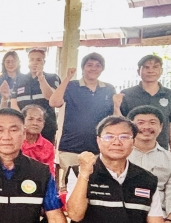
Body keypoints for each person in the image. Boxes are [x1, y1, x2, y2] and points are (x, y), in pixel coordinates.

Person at [49, 53, 120, 187]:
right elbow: (54, 102)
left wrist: (117, 105)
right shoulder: (71, 85)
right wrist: (67, 78)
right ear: (83, 67)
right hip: (71, 147)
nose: (93, 68)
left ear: (102, 69)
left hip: (99, 149)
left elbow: (115, 118)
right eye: (89, 65)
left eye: (97, 65)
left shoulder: (109, 89)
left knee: (96, 188)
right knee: (69, 189)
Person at [121, 55, 171, 151]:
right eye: (146, 67)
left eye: (155, 67)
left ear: (161, 71)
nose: (151, 71)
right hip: (132, 150)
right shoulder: (127, 94)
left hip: (161, 149)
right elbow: (122, 123)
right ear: (138, 71)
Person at [10, 48, 60, 144]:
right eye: (31, 59)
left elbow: (51, 98)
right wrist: (22, 122)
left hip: (46, 127)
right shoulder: (19, 79)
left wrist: (41, 77)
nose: (34, 62)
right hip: (24, 128)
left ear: (44, 62)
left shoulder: (52, 77)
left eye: (38, 60)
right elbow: (13, 103)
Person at [21, 104, 55, 176]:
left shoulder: (48, 146)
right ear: (22, 121)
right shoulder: (15, 142)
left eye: (39, 120)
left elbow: (50, 173)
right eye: (30, 119)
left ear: (43, 124)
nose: (35, 123)